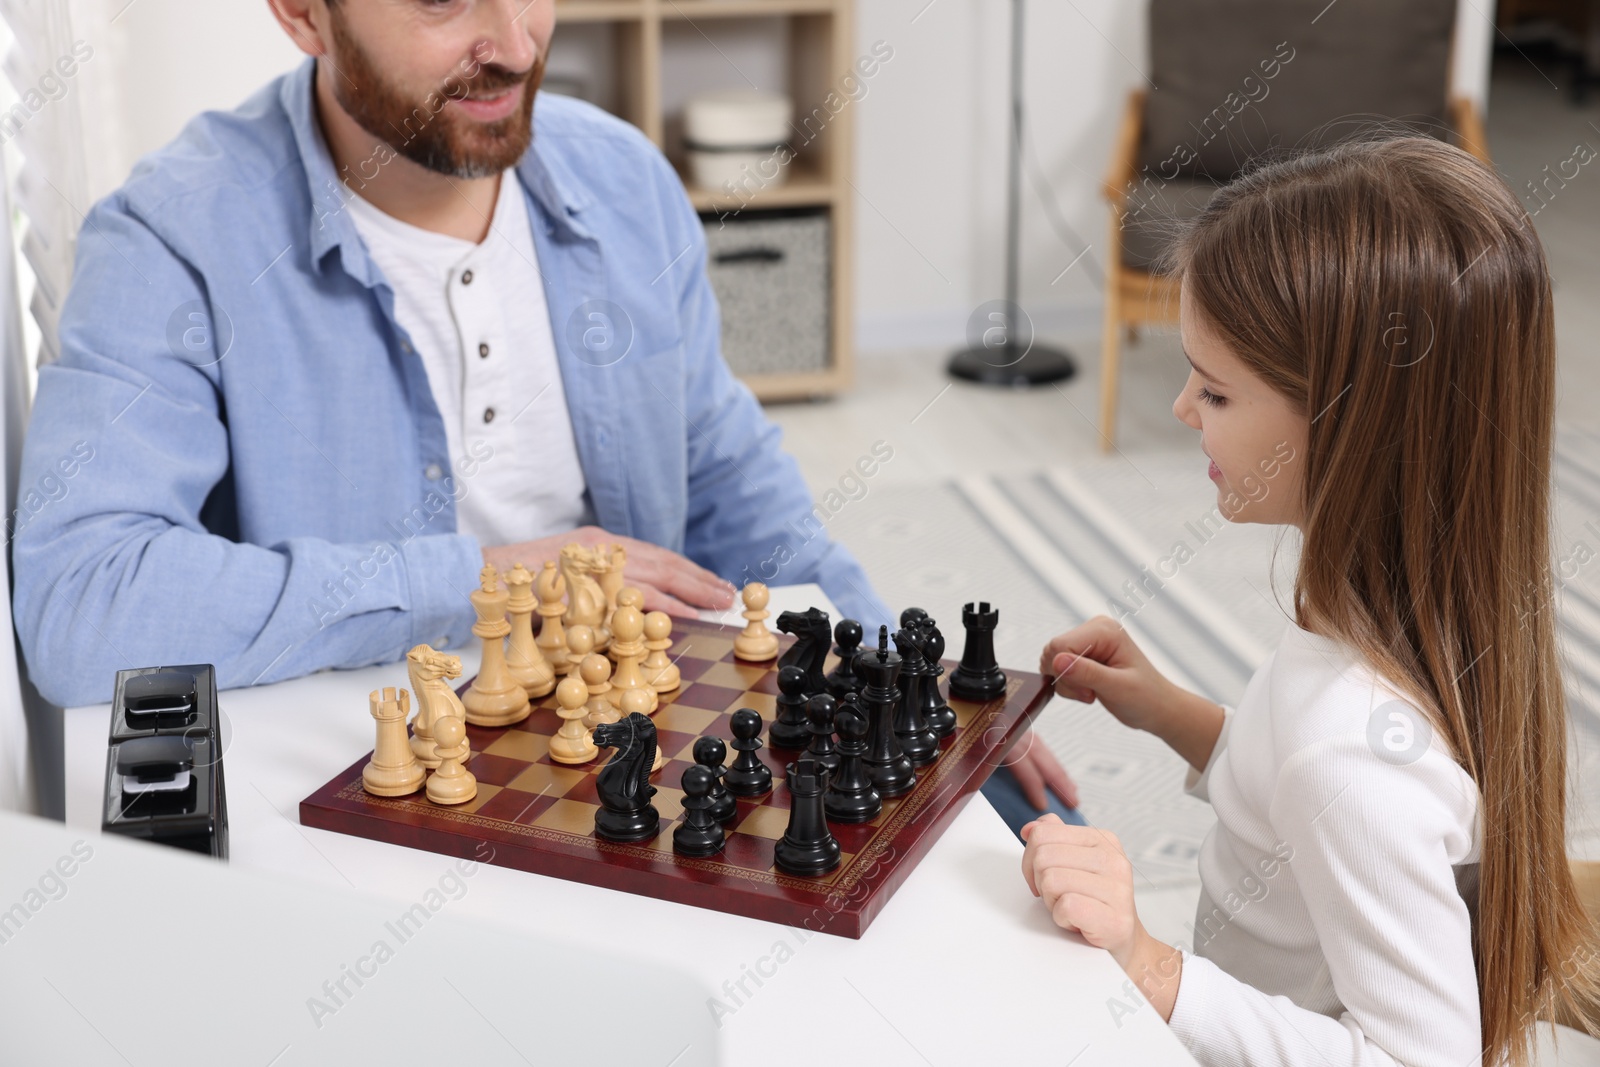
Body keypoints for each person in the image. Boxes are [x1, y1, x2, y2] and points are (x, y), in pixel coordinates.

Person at [11, 0, 1077, 831]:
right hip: (374, 786)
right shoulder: (172, 237)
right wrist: (489, 578)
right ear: (302, 13)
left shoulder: (622, 180)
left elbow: (730, 484)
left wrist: (907, 682)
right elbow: (81, 601)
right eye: (442, 5)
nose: (517, 43)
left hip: (630, 753)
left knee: (1023, 838)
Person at [1020, 137, 1600, 1065]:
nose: (1181, 410)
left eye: (1214, 389)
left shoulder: (1352, 750)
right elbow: (1292, 805)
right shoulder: (1406, 615)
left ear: (1352, 423)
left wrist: (1153, 966)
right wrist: (1169, 713)